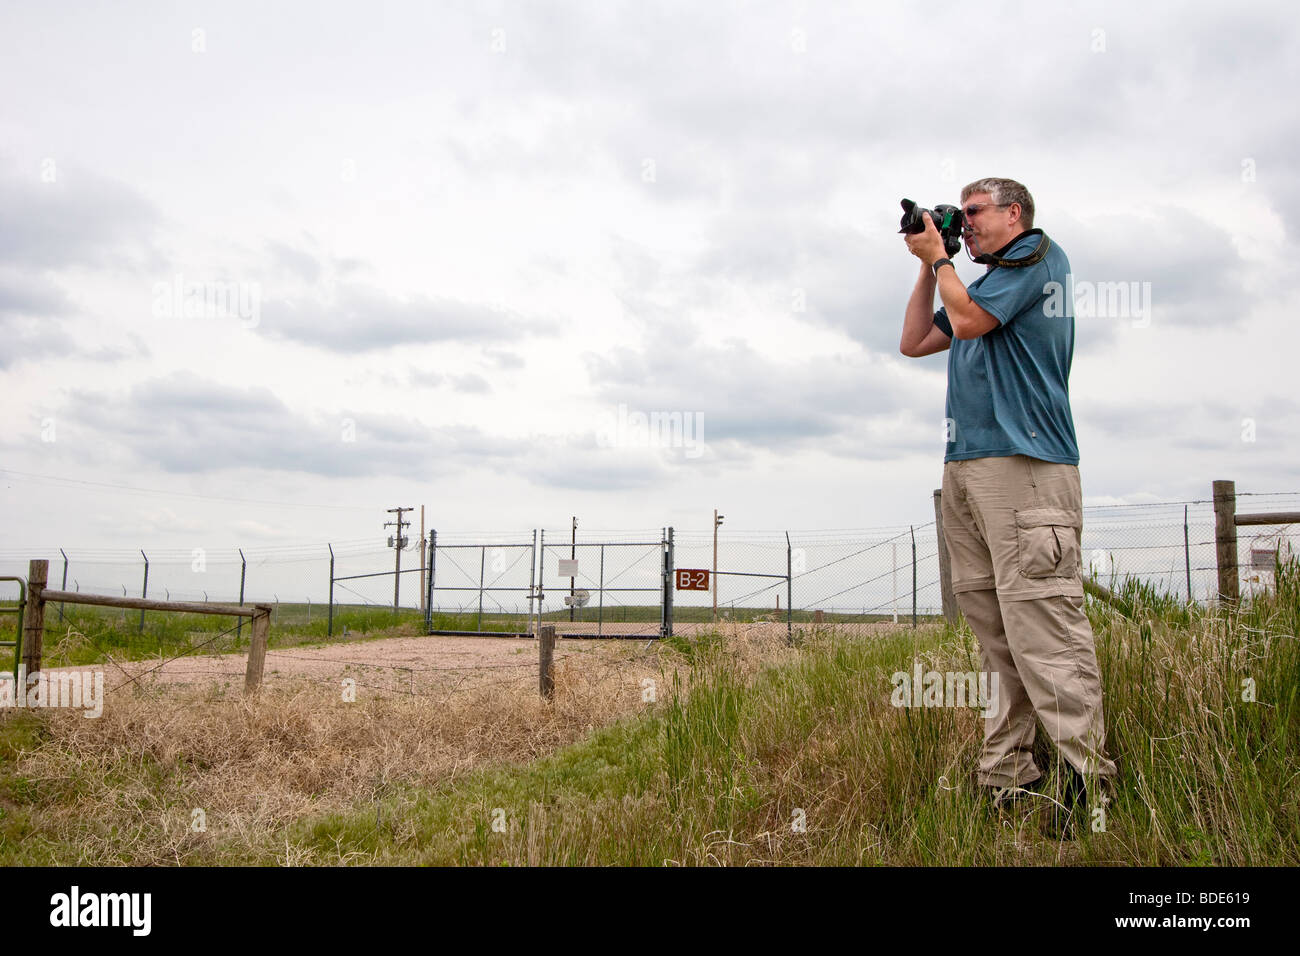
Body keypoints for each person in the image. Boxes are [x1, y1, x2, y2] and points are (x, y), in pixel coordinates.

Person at [898, 177, 1116, 837]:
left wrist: (942, 259)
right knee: (996, 638)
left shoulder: (1040, 258)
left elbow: (967, 323)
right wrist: (926, 262)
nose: (965, 223)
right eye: (957, 215)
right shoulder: (982, 280)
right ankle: (1008, 778)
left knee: (1045, 630)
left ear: (1013, 212)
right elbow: (914, 342)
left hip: (1027, 468)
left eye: (973, 213)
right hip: (968, 468)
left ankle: (1090, 789)